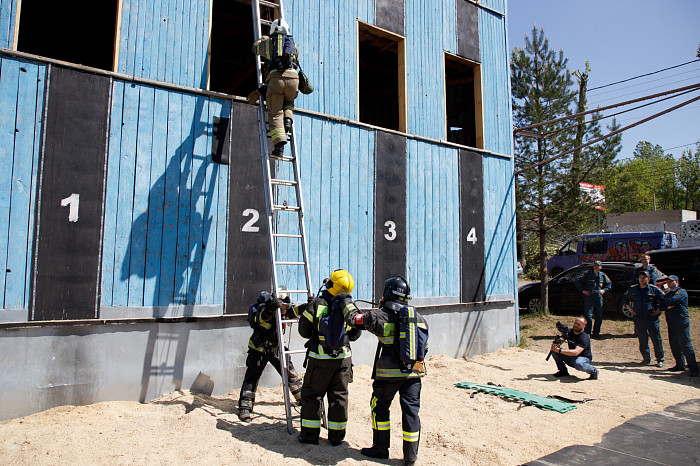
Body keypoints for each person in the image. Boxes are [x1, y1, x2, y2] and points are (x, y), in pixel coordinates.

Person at [346, 276, 428, 466]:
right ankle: (410, 456)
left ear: (387, 293)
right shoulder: (418, 317)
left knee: (380, 407)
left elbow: (354, 320)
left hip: (387, 377)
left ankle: (380, 449)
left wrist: (346, 302)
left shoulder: (379, 316)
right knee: (411, 413)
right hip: (413, 376)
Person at [294, 269, 361, 446]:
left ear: (330, 284)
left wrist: (310, 308)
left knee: (312, 395)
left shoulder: (318, 304)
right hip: (343, 361)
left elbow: (304, 331)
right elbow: (355, 334)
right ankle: (337, 438)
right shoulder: (349, 307)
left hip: (320, 360)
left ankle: (310, 436)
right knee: (339, 396)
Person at [237, 291, 303, 422]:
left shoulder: (284, 309)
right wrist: (270, 308)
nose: (284, 308)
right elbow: (260, 318)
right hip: (259, 347)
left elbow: (295, 311)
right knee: (252, 377)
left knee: (290, 374)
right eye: (282, 305)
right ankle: (245, 407)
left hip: (277, 347)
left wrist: (308, 306)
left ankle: (303, 400)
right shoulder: (263, 307)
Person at [251, 18, 299, 157]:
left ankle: (279, 146)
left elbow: (254, 48)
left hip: (276, 81)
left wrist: (262, 39)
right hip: (293, 80)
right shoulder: (293, 45)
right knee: (289, 101)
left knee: (275, 113)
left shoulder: (269, 43)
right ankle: (288, 120)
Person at [623, 270, 665, 367]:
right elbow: (625, 299)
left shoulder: (654, 289)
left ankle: (660, 359)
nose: (642, 279)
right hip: (639, 319)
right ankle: (646, 359)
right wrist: (631, 310)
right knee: (642, 339)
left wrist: (658, 310)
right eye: (640, 277)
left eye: (644, 277)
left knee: (656, 339)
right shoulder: (633, 289)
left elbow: (664, 300)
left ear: (648, 279)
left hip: (651, 318)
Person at [660, 275, 699, 377]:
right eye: (668, 281)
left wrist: (666, 304)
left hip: (681, 322)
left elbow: (672, 301)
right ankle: (679, 364)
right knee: (674, 344)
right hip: (671, 322)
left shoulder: (681, 292)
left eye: (671, 281)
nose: (669, 282)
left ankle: (693, 368)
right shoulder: (668, 293)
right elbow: (661, 305)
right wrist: (667, 305)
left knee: (685, 345)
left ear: (677, 282)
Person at [574, 260, 611, 339]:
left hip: (598, 296)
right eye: (595, 265)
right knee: (588, 315)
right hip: (589, 296)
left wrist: (604, 290)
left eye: (597, 265)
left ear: (600, 267)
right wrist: (583, 290)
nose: (596, 267)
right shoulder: (587, 274)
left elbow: (609, 284)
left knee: (599, 316)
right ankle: (587, 332)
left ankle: (596, 332)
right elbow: (577, 280)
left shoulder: (602, 275)